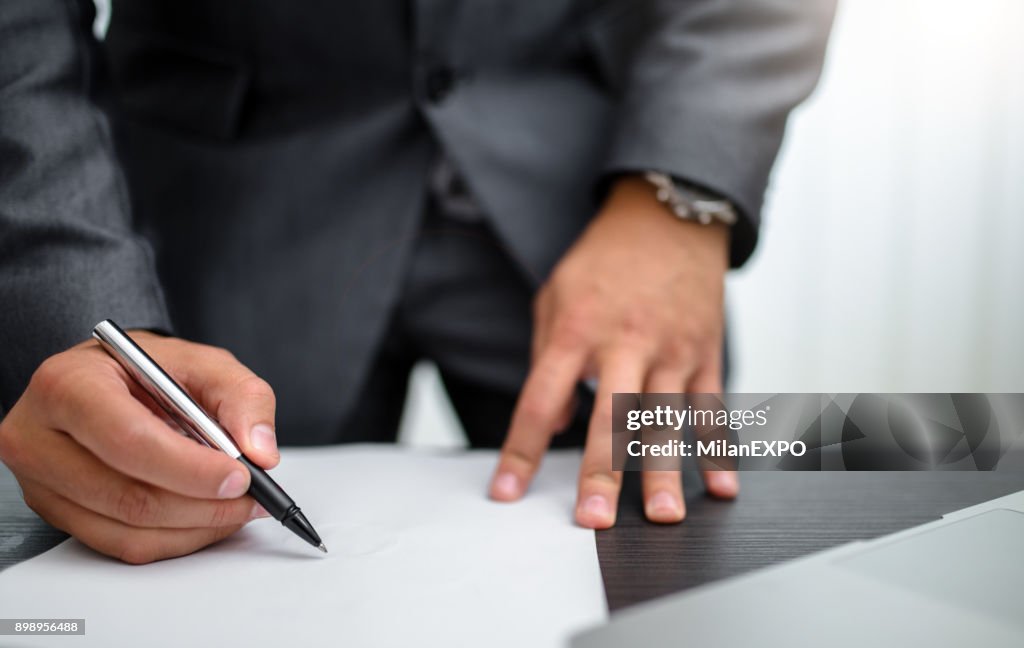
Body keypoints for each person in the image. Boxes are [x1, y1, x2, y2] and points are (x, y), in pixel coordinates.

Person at [0, 0, 835, 564]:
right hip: (213, 209)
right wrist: (74, 302)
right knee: (171, 523)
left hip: (607, 205)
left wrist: (679, 191)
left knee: (668, 550)